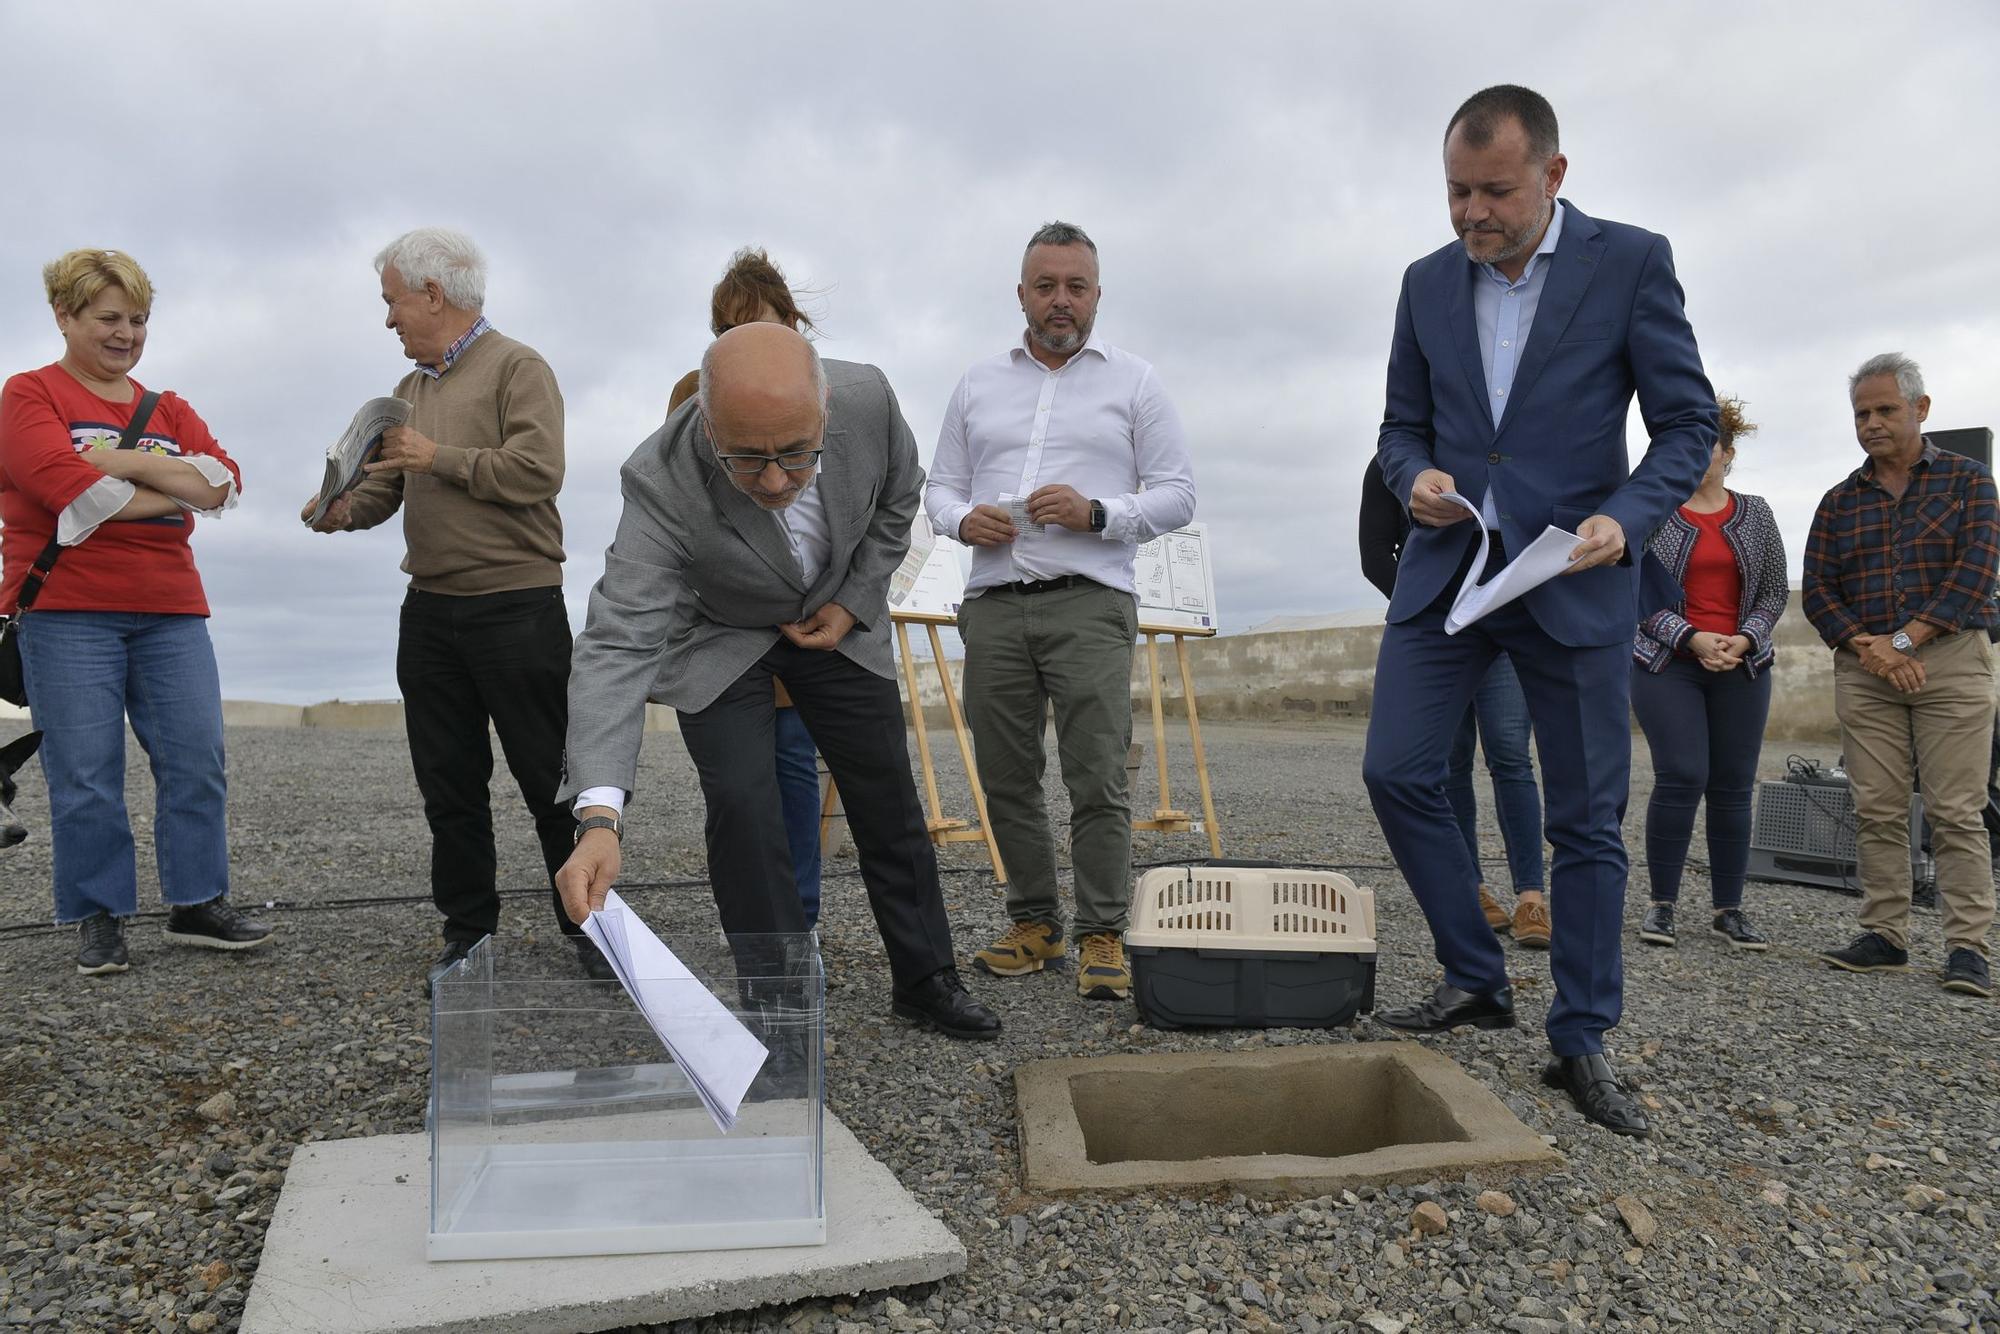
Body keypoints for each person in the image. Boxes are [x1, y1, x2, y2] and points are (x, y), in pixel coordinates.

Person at [1362, 86, 1717, 1138]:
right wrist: (1414, 473)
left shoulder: (1630, 261)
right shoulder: (1424, 283)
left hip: (1571, 576)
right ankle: (1474, 975)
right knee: (1395, 768)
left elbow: (1685, 422)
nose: (1471, 214)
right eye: (1455, 192)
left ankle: (1579, 1036)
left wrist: (1625, 514)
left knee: (1581, 819)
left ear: (1552, 177)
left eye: (1494, 192)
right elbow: (1397, 422)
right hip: (1447, 570)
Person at [555, 323, 1000, 1041]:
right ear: (706, 423)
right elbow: (617, 639)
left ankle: (926, 979)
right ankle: (778, 1004)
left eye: (796, 456)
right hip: (720, 632)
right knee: (743, 803)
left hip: (834, 614)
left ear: (826, 411)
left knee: (886, 791)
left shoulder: (870, 401)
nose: (773, 482)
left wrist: (852, 602)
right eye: (747, 459)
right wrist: (599, 817)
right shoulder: (659, 478)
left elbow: (898, 503)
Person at [301, 227, 605, 989]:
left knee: (549, 782)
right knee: (448, 785)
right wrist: (343, 508)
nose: (388, 320)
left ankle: (592, 930)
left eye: (392, 302)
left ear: (433, 295)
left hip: (517, 609)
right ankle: (468, 932)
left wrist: (438, 457)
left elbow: (539, 472)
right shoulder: (407, 392)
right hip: (431, 614)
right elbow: (387, 487)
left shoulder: (519, 367)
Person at [925, 221, 1197, 1002]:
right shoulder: (977, 384)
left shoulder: (1136, 383)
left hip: (1090, 603)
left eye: (1076, 287)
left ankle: (1102, 931)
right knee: (1005, 777)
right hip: (995, 605)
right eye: (1046, 286)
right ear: (1021, 294)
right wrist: (960, 520)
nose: (1061, 301)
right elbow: (938, 487)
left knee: (1098, 776)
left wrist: (1098, 513)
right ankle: (1035, 922)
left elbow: (1178, 493)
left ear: (1097, 295)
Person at [0, 248, 272, 975]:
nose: (127, 334)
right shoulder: (29, 396)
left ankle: (197, 903)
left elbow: (224, 485)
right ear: (64, 315)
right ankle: (99, 917)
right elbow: (70, 491)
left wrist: (116, 462)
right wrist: (173, 482)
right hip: (66, 612)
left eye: (139, 319)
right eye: (109, 318)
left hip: (174, 611)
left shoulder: (170, 406)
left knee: (196, 761)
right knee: (85, 771)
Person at [1803, 354, 1997, 998]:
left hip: (1951, 660)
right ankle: (1884, 934)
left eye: (1886, 409)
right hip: (1866, 667)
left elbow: (1974, 573)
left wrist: (1907, 639)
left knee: (1956, 810)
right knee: (1877, 806)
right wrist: (1869, 645)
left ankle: (1967, 946)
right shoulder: (1837, 501)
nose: (1872, 423)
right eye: (1862, 413)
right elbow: (1820, 591)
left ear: (1921, 409)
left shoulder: (1971, 484)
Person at [667, 249, 824, 926]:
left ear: (794, 323)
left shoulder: (824, 391)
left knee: (794, 774)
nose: (751, 342)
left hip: (800, 623)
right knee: (737, 791)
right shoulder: (689, 397)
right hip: (724, 624)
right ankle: (752, 931)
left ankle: (804, 922)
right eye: (732, 330)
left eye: (766, 325)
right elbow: (679, 508)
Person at [1360, 457, 1548, 943]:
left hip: (1504, 625)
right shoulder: (1389, 467)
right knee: (1448, 764)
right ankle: (1473, 888)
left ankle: (1532, 896)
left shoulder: (1504, 457)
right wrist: (1431, 606)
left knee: (1510, 754)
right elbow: (1375, 553)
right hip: (1436, 632)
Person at [1631, 396, 1788, 951]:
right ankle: (1662, 906)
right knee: (1681, 774)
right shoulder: (1654, 513)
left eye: (1710, 447)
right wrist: (1691, 637)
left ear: (1728, 453)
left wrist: (1744, 640)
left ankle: (1730, 909)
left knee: (1732, 787)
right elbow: (1636, 593)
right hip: (1668, 662)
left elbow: (1773, 591)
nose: (1700, 456)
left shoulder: (1758, 512)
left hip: (1742, 664)